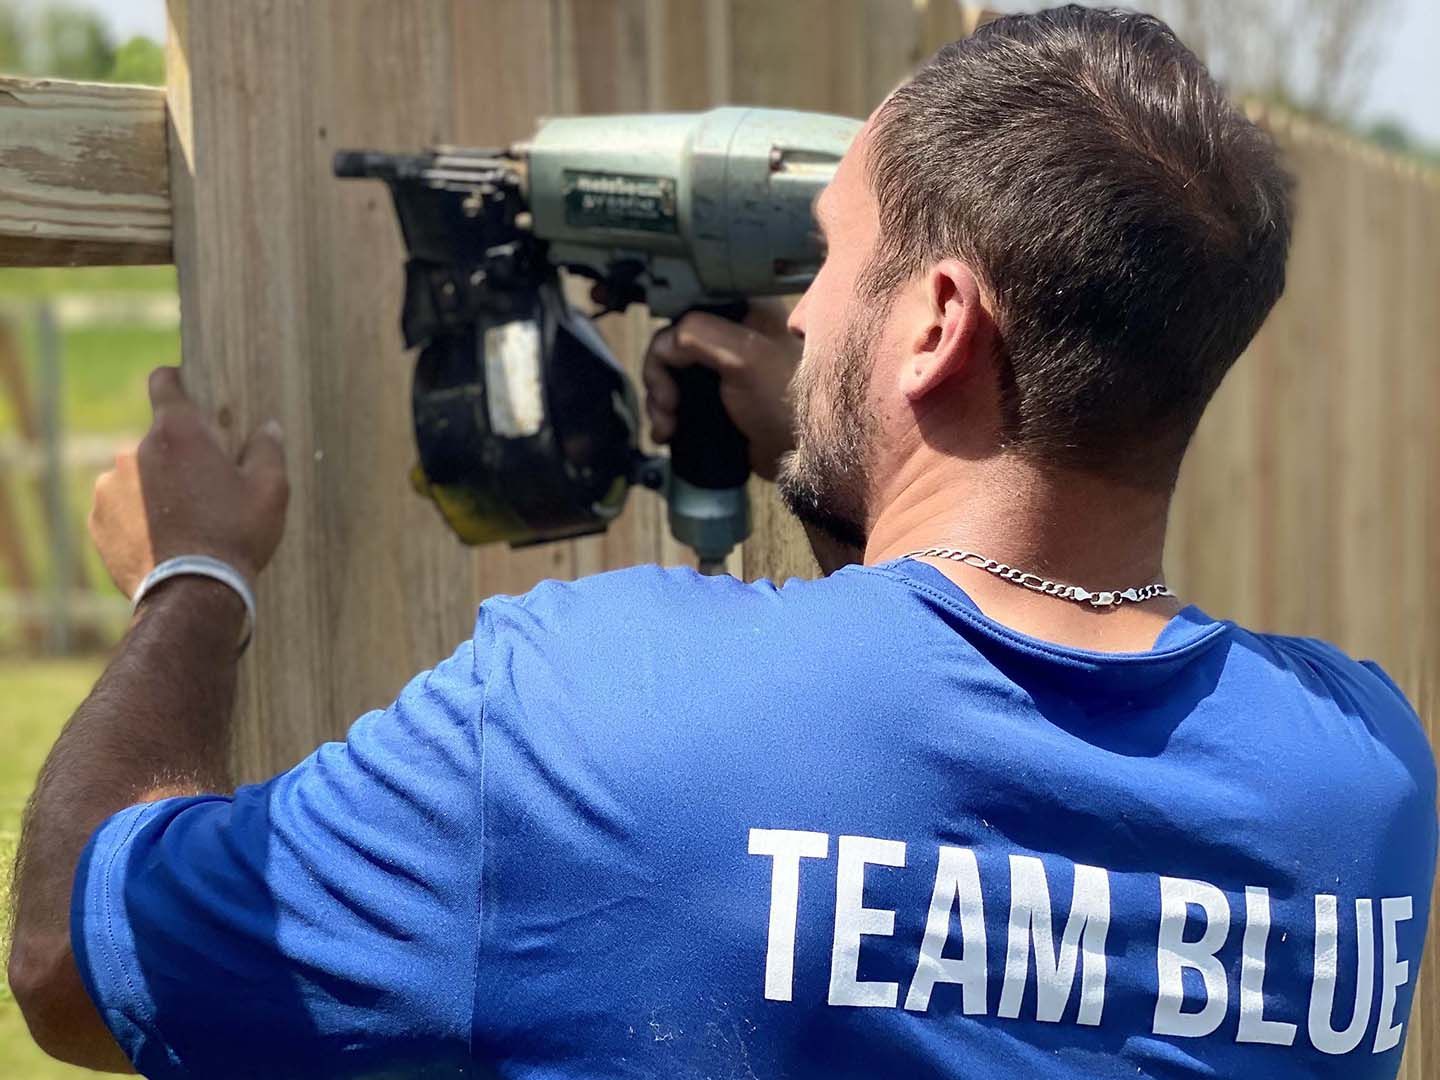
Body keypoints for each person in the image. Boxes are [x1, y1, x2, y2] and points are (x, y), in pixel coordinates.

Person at [8, 6, 1435, 1078]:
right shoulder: (1365, 781)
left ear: (936, 326)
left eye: (832, 258)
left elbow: (75, 959)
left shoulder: (597, 723)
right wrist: (854, 482)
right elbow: (970, 810)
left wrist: (190, 579)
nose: (801, 315)